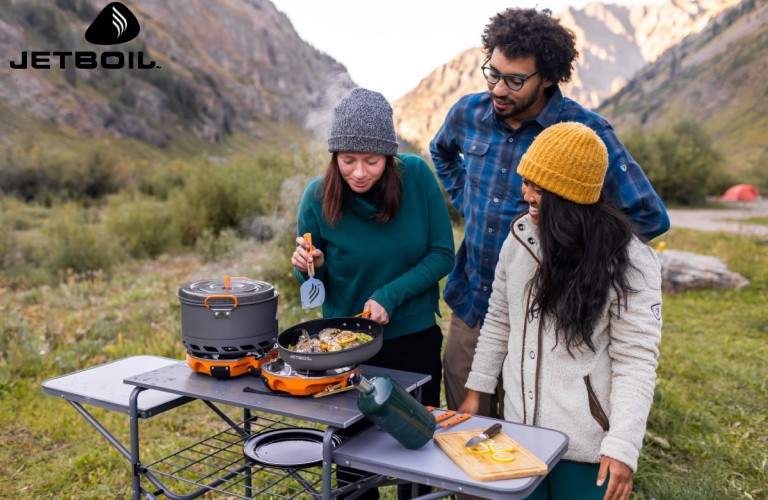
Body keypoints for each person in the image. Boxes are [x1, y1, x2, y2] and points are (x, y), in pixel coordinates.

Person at [429, 7, 670, 417]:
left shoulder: (585, 133)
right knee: (465, 432)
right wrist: (467, 202)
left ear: (547, 78)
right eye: (493, 73)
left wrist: (574, 254)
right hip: (472, 301)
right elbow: (442, 152)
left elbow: (647, 216)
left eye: (515, 80)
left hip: (545, 318)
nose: (499, 89)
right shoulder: (467, 114)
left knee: (527, 438)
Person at [458, 122, 663, 500]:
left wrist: (622, 447)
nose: (525, 193)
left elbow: (636, 361)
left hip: (585, 445)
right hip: (518, 434)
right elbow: (500, 320)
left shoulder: (630, 260)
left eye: (537, 187)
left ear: (568, 196)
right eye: (526, 181)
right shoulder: (520, 237)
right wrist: (477, 390)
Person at [291, 88, 455, 499]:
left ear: (390, 156)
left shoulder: (416, 177)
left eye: (372, 161)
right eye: (348, 160)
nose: (359, 172)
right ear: (334, 157)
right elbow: (313, 295)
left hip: (412, 341)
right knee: (351, 461)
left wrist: (391, 295)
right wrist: (309, 266)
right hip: (346, 351)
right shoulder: (316, 197)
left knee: (415, 450)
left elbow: (442, 254)